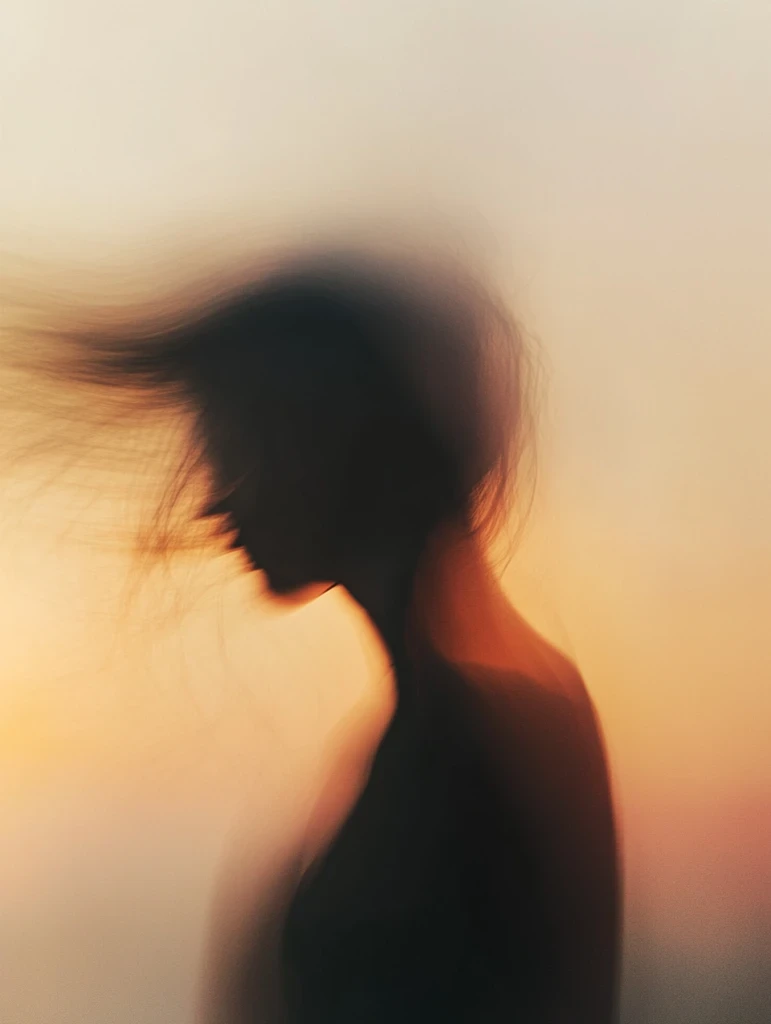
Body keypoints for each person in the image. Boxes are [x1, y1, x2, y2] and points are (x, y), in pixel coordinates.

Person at [35, 248, 620, 1022]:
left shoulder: (453, 752)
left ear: (320, 447)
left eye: (230, 444)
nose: (212, 501)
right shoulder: (517, 710)